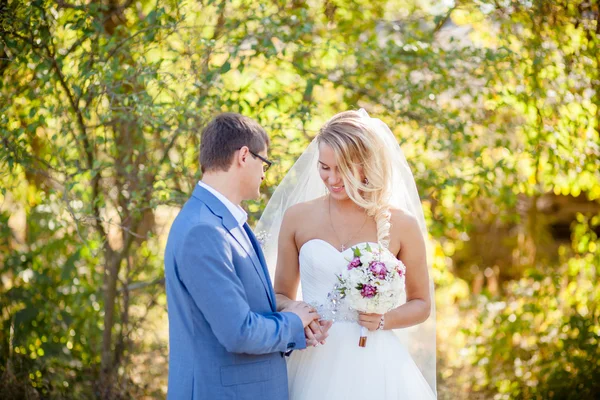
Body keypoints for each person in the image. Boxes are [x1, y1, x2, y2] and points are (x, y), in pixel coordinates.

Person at [256, 109, 437, 399]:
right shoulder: (298, 217)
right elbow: (278, 296)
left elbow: (421, 303)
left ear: (366, 164)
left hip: (375, 363)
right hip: (313, 357)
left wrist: (383, 320)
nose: (332, 178)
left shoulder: (400, 223)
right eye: (324, 167)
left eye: (343, 168)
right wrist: (299, 314)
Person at [163, 113, 327, 400]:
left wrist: (297, 329)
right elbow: (238, 332)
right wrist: (293, 321)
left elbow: (249, 309)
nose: (265, 173)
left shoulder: (223, 221)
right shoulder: (203, 230)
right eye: (264, 162)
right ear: (243, 156)